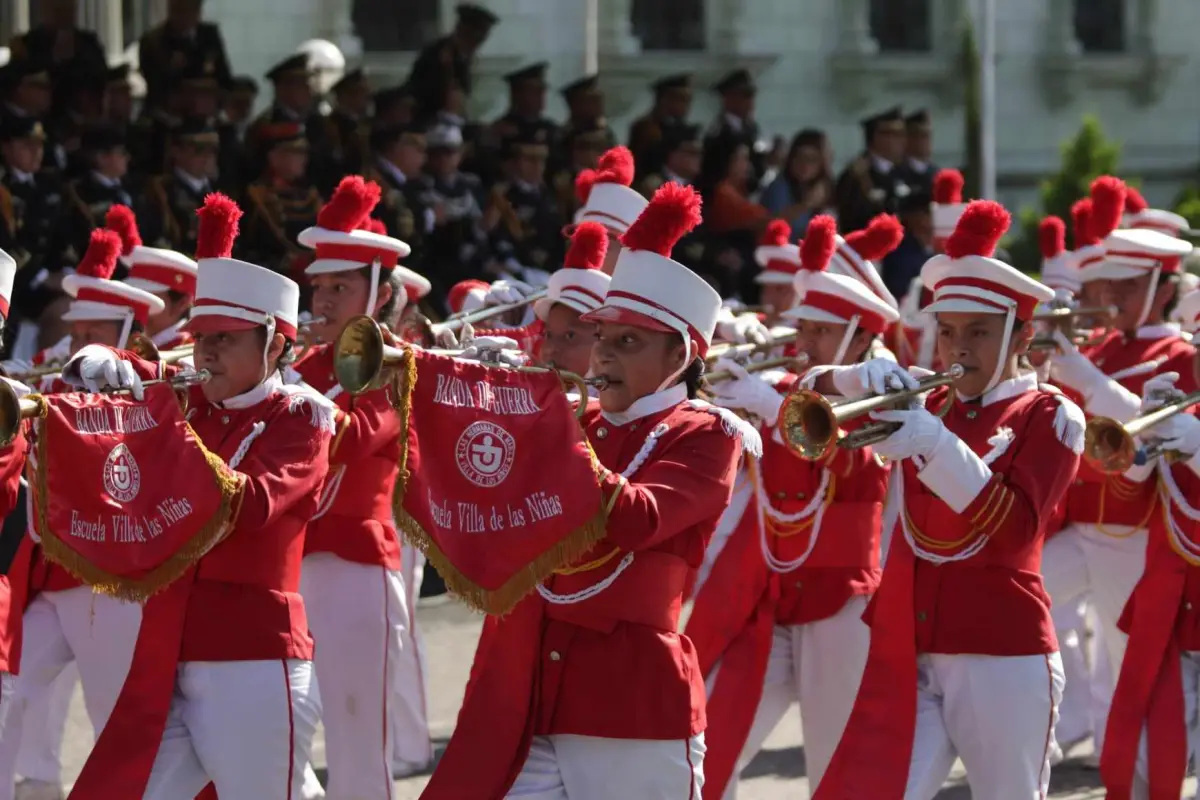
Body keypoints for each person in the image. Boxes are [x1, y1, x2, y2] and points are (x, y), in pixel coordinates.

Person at [423, 181, 760, 799]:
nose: (602, 356)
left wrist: (542, 422)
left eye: (626, 343)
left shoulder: (709, 434)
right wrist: (481, 404)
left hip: (634, 711)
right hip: (532, 696)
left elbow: (636, 518)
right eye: (602, 339)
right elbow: (489, 500)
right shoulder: (585, 421)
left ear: (680, 353)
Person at [59, 193, 330, 799]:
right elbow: (125, 421)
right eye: (200, 337)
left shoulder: (304, 418)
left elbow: (251, 504)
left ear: (276, 346)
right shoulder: (191, 401)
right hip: (172, 646)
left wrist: (164, 419)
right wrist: (102, 362)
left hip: (255, 657)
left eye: (225, 340)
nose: (204, 352)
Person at [812, 200, 1082, 798]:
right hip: (912, 649)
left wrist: (933, 443)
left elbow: (1012, 531)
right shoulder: (930, 407)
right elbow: (801, 398)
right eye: (949, 331)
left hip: (1002, 656)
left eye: (979, 333)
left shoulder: (1051, 415)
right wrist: (854, 379)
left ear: (1023, 336)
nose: (957, 349)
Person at [690, 214, 898, 799]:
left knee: (836, 765)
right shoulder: (789, 386)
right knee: (712, 736)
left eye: (819, 331)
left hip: (841, 604)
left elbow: (850, 458)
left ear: (859, 339)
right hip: (773, 594)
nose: (802, 341)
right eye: (802, 326)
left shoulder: (883, 392)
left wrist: (766, 402)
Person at [0, 229, 162, 800]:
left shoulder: (148, 378)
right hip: (53, 577)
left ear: (121, 334)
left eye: (92, 333)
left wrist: (118, 367)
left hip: (109, 581)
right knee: (12, 691)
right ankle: (37, 787)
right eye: (75, 330)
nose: (78, 342)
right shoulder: (56, 372)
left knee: (114, 713)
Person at [1041, 175, 1195, 759]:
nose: (1111, 296)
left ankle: (1123, 760)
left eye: (1128, 287)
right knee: (1018, 594)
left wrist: (1084, 376)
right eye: (1110, 284)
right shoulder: (1102, 347)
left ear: (1161, 287)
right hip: (1081, 523)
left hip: (1136, 531)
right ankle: (1049, 717)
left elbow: (1153, 434)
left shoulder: (1177, 355)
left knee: (1124, 658)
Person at [291, 176, 433, 793]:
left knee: (356, 746)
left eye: (338, 287)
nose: (321, 299)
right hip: (288, 567)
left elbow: (350, 436)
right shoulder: (298, 366)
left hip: (356, 567)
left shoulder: (397, 367)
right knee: (279, 727)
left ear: (375, 295)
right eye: (318, 285)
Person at [1101, 366, 1200, 797]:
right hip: (1170, 608)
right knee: (1144, 749)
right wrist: (1144, 431)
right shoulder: (1187, 417)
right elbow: (1125, 494)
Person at [105, 204, 198, 350]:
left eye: (147, 299)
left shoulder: (190, 351)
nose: (134, 308)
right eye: (132, 297)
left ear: (182, 302)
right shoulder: (124, 343)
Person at [240, 121, 323, 281]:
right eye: (296, 152)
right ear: (274, 156)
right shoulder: (255, 197)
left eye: (304, 152)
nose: (304, 159)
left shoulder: (309, 195)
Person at [137, 0, 233, 115]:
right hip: (166, 117)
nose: (183, 16)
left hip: (206, 114)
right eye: (178, 10)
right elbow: (155, 85)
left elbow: (224, 78)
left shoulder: (209, 36)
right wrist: (173, 69)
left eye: (189, 9)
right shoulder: (154, 42)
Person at [406, 3, 498, 122]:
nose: (477, 44)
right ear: (463, 30)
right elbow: (434, 93)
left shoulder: (461, 55)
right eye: (476, 37)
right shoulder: (442, 54)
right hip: (432, 120)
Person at [834, 106, 911, 234]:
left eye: (903, 134)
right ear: (876, 137)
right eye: (896, 134)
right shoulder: (856, 175)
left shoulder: (904, 171)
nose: (902, 140)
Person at [62, 125, 133, 264]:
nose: (127, 157)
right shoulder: (80, 193)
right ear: (102, 158)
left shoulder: (133, 187)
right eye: (121, 153)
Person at [759, 129, 834, 235]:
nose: (804, 164)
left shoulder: (824, 187)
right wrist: (806, 205)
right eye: (799, 156)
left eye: (812, 159)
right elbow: (772, 225)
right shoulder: (779, 187)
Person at [704, 69, 766, 191]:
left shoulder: (751, 127)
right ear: (728, 98)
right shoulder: (718, 130)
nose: (749, 102)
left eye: (750, 96)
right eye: (744, 96)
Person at [627, 73, 693, 180]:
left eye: (687, 100)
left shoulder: (684, 130)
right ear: (664, 99)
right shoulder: (647, 129)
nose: (685, 106)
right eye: (680, 99)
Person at [323, 67, 372, 180]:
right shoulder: (333, 126)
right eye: (362, 92)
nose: (367, 98)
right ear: (346, 95)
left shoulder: (364, 123)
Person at [897, 109, 937, 196]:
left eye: (927, 136)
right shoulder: (897, 172)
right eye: (920, 136)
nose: (925, 141)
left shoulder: (936, 173)